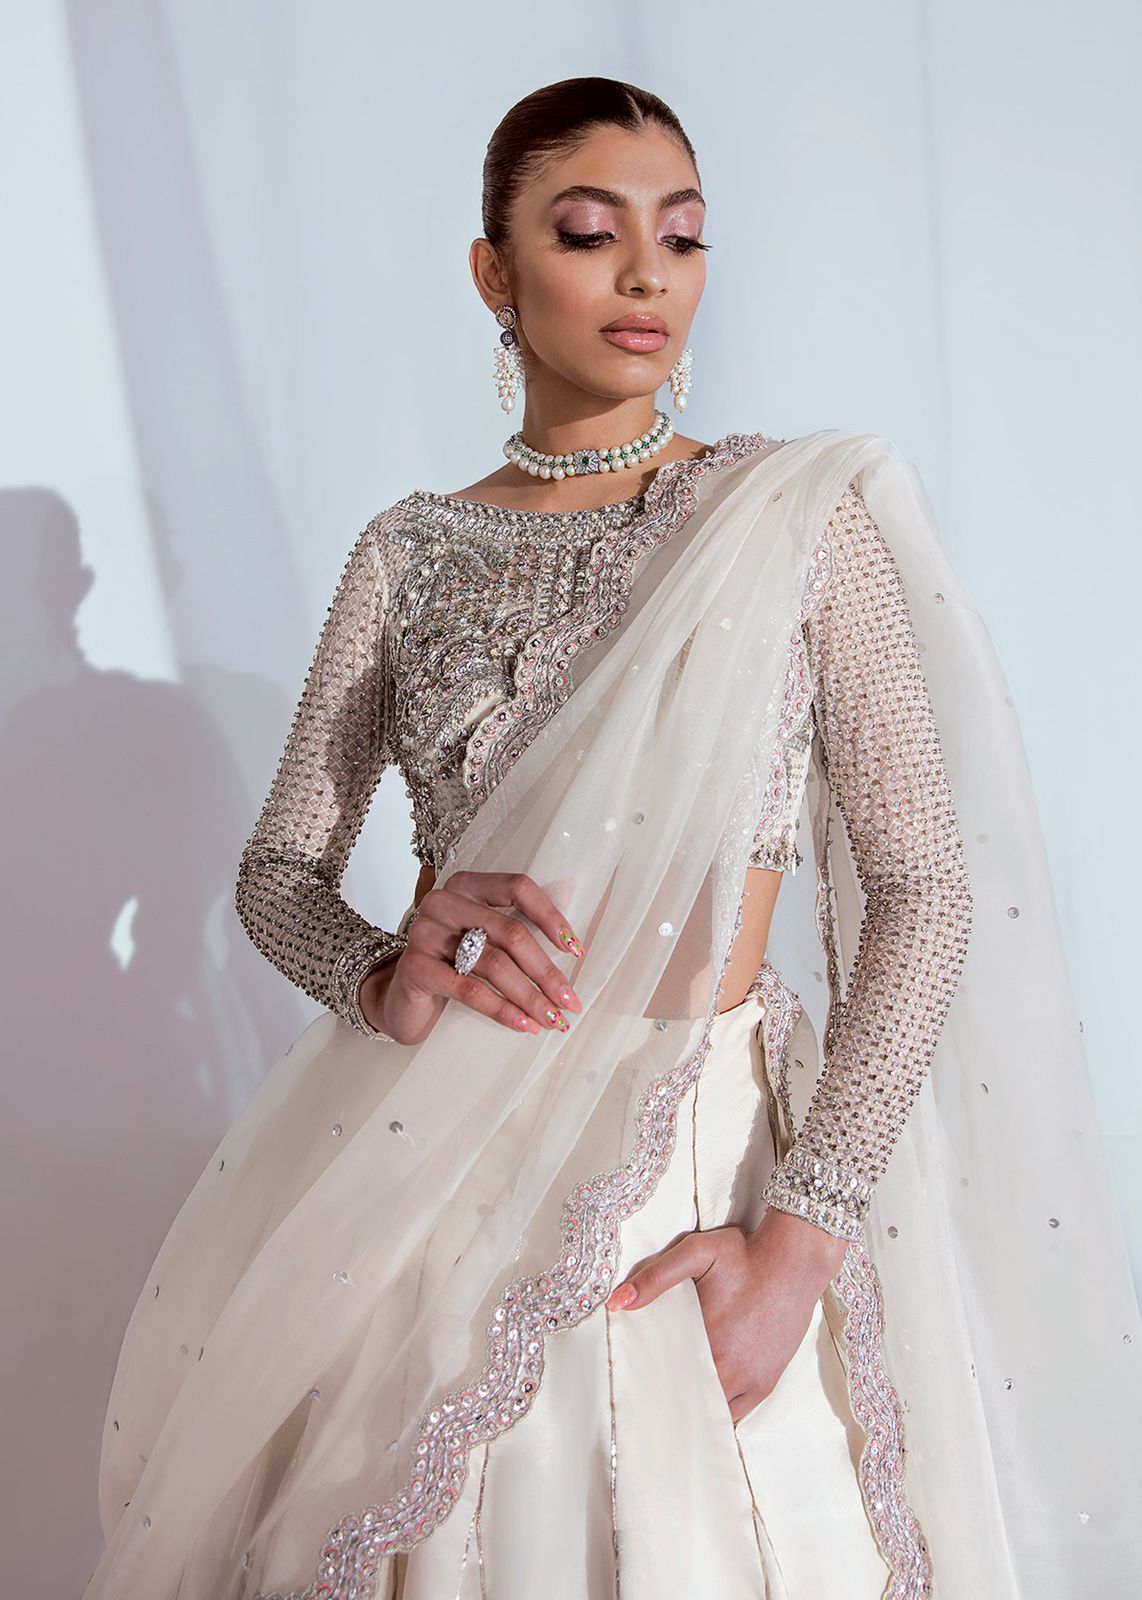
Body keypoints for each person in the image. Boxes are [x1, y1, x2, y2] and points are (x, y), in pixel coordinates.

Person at [83, 77, 1141, 1600]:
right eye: (589, 233)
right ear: (493, 270)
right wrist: (384, 969)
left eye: (682, 236)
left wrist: (802, 1242)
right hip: (430, 1178)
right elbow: (278, 876)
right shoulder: (411, 551)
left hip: (702, 1177)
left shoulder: (792, 520)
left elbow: (919, 888)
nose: (647, 275)